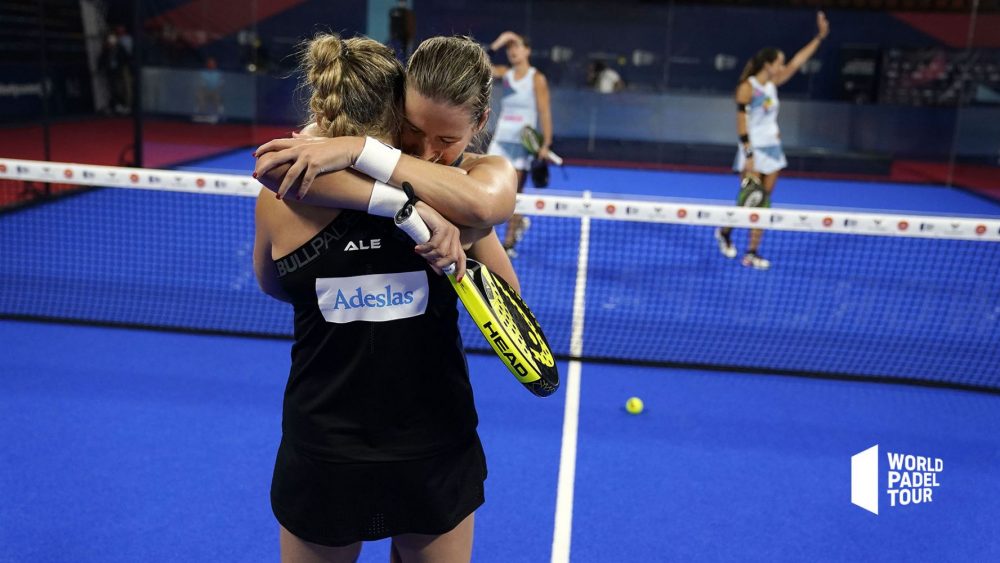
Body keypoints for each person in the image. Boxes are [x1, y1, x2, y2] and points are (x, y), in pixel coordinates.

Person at [253, 34, 518, 563]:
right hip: (376, 450)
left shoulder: (289, 193)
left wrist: (359, 155)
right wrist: (412, 211)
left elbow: (272, 283)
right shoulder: (450, 204)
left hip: (379, 443)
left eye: (446, 137)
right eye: (413, 130)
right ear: (395, 106)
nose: (426, 151)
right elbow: (505, 289)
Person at [715, 11, 829, 270]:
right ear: (767, 64)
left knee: (764, 201)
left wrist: (819, 38)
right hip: (752, 151)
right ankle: (725, 231)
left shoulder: (773, 83)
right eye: (779, 62)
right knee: (749, 199)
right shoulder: (747, 87)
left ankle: (752, 252)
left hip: (773, 151)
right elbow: (741, 122)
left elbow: (798, 62)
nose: (782, 66)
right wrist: (749, 152)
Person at [486, 30, 554, 258]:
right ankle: (488, 237)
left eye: (517, 46)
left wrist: (546, 143)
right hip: (501, 139)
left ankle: (509, 241)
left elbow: (544, 112)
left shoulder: (537, 78)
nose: (513, 51)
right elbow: (481, 68)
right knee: (490, 185)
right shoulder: (505, 74)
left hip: (522, 143)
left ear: (528, 51)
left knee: (515, 194)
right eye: (510, 48)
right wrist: (498, 43)